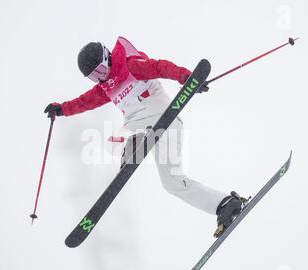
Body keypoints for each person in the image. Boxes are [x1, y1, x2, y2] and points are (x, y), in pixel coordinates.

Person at [44, 36, 245, 237]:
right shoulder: (104, 89)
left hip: (164, 118)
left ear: (108, 57)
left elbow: (160, 67)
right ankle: (225, 204)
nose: (100, 77)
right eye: (94, 77)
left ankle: (134, 146)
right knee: (172, 183)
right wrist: (61, 109)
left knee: (123, 147)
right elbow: (84, 102)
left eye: (101, 70)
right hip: (147, 128)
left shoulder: (131, 66)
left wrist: (187, 78)